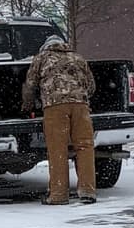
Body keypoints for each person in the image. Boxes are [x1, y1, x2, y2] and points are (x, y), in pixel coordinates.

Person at [24, 31, 98, 206]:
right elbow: (91, 85)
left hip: (54, 106)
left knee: (58, 149)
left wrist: (27, 106)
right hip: (81, 106)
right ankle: (87, 191)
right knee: (85, 146)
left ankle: (58, 194)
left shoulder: (41, 58)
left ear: (46, 46)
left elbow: (30, 85)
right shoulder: (78, 58)